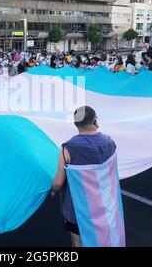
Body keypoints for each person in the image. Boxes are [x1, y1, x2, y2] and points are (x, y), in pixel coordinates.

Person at [51, 106, 116, 247]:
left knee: (77, 242)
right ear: (95, 120)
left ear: (75, 124)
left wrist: (53, 191)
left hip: (78, 208)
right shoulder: (109, 143)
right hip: (104, 204)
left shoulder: (67, 148)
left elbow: (57, 183)